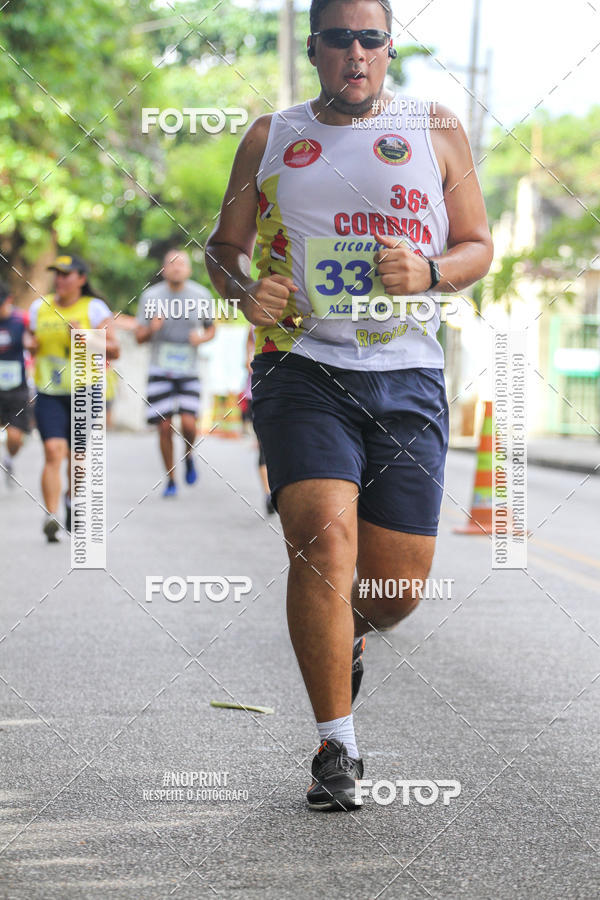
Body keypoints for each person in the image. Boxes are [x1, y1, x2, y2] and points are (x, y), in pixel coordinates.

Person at [206, 0, 493, 811]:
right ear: (316, 48)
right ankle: (338, 745)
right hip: (302, 369)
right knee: (321, 543)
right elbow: (222, 249)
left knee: (395, 592)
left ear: (388, 47)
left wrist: (431, 273)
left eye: (372, 38)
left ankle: (353, 633)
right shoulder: (270, 136)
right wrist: (243, 289)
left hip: (407, 378)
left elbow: (478, 244)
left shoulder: (435, 126)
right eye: (341, 39)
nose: (357, 53)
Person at [27, 254, 119, 542]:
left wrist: (85, 336)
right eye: (57, 273)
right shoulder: (39, 308)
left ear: (81, 278)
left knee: (78, 456)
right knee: (53, 451)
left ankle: (71, 499)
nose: (60, 279)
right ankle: (51, 515)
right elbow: (32, 344)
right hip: (49, 391)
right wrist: (31, 344)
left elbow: (115, 350)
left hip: (86, 390)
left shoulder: (94, 308)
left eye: (67, 274)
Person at [135, 248, 216, 497]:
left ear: (189, 270)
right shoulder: (150, 297)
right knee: (164, 426)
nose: (176, 268)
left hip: (188, 369)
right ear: (163, 270)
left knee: (190, 424)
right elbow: (138, 336)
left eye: (181, 264)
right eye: (171, 264)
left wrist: (200, 339)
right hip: (160, 367)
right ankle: (170, 478)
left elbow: (212, 330)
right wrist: (152, 329)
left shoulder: (201, 295)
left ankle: (189, 455)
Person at [0, 280, 31, 483]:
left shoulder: (22, 321)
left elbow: (33, 344)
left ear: (8, 301)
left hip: (16, 387)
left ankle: (9, 458)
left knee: (14, 438)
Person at [242, 326, 275, 515]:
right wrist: (248, 358)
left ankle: (278, 488)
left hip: (286, 394)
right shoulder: (255, 322)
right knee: (263, 445)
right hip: (257, 393)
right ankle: (268, 493)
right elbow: (249, 343)